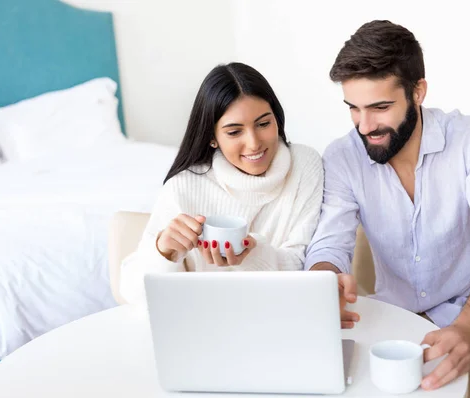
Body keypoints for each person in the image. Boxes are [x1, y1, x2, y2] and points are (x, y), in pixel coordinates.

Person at [305, 20, 470, 398]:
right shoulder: (343, 157)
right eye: (353, 109)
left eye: (380, 107)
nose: (365, 126)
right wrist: (324, 278)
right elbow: (330, 243)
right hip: (389, 316)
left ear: (418, 92)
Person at [120, 62, 323, 304]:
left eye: (263, 124)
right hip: (201, 323)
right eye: (234, 132)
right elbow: (133, 294)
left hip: (281, 314)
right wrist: (163, 252)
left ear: (277, 120)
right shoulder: (184, 187)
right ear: (212, 138)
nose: (254, 143)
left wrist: (250, 255)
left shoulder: (304, 165)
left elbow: (305, 266)